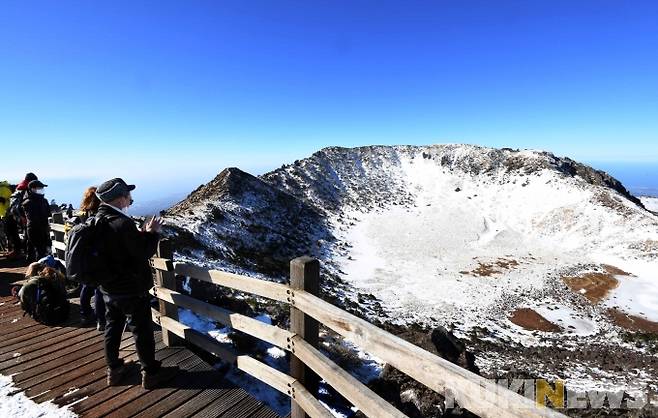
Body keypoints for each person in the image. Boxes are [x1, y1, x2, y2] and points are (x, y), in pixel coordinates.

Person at [95, 178, 176, 389]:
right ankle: (151, 373)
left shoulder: (99, 220)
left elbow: (119, 249)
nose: (130, 198)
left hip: (108, 288)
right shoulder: (123, 223)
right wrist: (154, 234)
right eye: (128, 195)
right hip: (131, 289)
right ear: (121, 198)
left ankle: (114, 370)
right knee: (141, 331)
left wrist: (142, 234)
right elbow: (142, 253)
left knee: (112, 328)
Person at [73, 186, 106, 331]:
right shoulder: (99, 215)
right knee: (99, 289)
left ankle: (85, 313)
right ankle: (101, 320)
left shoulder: (83, 213)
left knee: (86, 287)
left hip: (85, 258)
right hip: (97, 257)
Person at [22, 179, 51, 262]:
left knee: (42, 250)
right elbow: (33, 217)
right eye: (39, 188)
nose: (41, 189)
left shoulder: (44, 201)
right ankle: (39, 269)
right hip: (34, 229)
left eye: (42, 188)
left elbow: (48, 214)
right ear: (32, 189)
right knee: (40, 250)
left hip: (43, 228)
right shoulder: (28, 202)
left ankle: (38, 266)